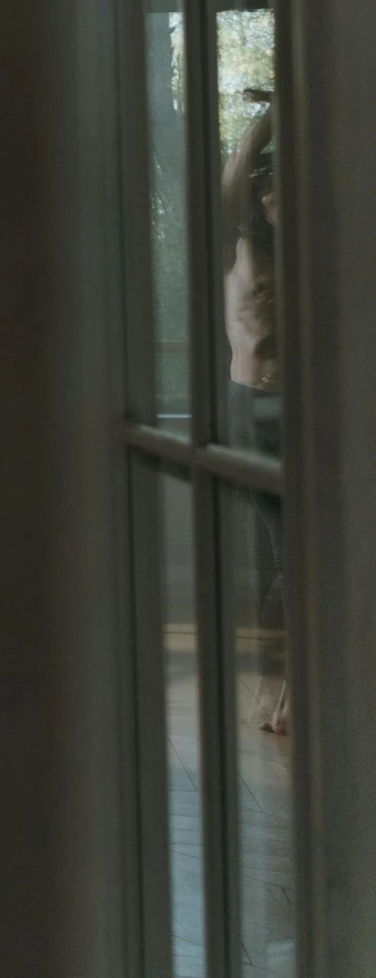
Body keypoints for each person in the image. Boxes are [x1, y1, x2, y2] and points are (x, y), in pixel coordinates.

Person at [222, 90, 288, 734]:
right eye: (267, 186)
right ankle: (277, 688)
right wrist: (275, 112)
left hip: (297, 414)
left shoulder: (317, 257)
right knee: (288, 554)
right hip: (254, 410)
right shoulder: (240, 249)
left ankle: (280, 688)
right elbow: (237, 167)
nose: (272, 194)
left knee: (290, 556)